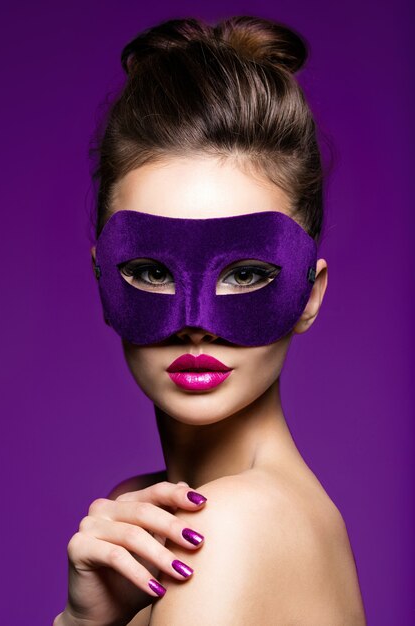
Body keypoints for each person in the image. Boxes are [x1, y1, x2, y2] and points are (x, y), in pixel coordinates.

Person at [53, 14, 367, 626]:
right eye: (151, 270)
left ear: (310, 293)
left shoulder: (232, 529)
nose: (195, 323)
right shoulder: (142, 516)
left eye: (247, 274)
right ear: (101, 276)